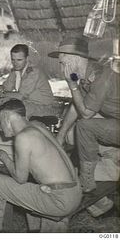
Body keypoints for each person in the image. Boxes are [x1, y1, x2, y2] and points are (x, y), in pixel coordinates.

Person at [0, 99, 82, 232]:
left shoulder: (22, 138)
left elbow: (20, 179)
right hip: (74, 193)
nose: (0, 128)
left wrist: (4, 157)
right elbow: (31, 152)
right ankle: (34, 230)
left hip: (59, 200)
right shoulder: (37, 126)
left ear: (6, 118)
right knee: (33, 185)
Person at [48, 37, 120, 215]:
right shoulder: (87, 74)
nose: (61, 67)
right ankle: (100, 201)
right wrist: (60, 134)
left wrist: (71, 86)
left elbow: (86, 112)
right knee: (73, 132)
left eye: (63, 63)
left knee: (85, 126)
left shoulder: (102, 76)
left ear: (73, 59)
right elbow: (77, 104)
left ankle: (86, 181)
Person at [0, 44, 56, 118]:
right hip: (27, 103)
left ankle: (6, 126)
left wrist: (1, 93)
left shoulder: (34, 72)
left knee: (13, 108)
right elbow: (6, 87)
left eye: (19, 60)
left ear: (27, 59)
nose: (15, 63)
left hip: (43, 107)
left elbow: (21, 96)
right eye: (13, 60)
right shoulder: (16, 71)